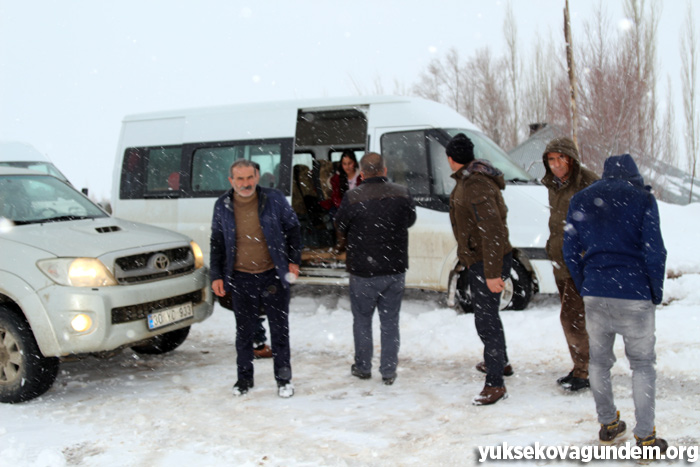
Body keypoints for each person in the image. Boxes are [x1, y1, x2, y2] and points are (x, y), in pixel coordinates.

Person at [563, 154, 668, 455]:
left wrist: (586, 285)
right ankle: (645, 437)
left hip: (595, 292)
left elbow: (569, 248)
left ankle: (608, 424)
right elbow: (655, 251)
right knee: (643, 365)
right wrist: (654, 291)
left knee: (598, 362)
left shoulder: (581, 199)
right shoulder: (643, 200)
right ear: (633, 176)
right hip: (634, 294)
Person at [210, 159, 301, 398]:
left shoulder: (274, 199)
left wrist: (293, 260)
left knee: (279, 330)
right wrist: (216, 275)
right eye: (239, 179)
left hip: (273, 274)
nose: (245, 183)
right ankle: (244, 380)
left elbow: (293, 228)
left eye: (249, 177)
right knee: (244, 332)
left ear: (257, 177)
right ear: (231, 181)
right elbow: (217, 242)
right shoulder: (222, 205)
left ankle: (284, 380)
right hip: (241, 278)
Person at [334, 152, 416, 385]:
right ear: (384, 170)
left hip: (363, 271)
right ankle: (388, 371)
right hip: (394, 268)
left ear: (361, 173)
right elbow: (410, 220)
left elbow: (340, 224)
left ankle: (363, 367)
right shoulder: (403, 193)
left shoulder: (352, 197)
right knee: (390, 322)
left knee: (362, 320)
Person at [446, 133, 513, 406]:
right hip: (482, 259)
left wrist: (493, 272)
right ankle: (501, 363)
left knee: (486, 320)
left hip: (488, 261)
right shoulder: (470, 178)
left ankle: (495, 383)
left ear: (451, 159)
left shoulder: (475, 183)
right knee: (487, 317)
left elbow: (493, 229)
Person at [542, 137, 599, 391]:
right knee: (573, 318)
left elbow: (600, 224)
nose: (556, 165)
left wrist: (588, 256)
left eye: (560, 158)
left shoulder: (588, 183)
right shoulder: (554, 184)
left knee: (572, 318)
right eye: (551, 160)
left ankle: (585, 372)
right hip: (560, 261)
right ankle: (581, 367)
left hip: (580, 264)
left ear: (571, 159)